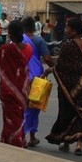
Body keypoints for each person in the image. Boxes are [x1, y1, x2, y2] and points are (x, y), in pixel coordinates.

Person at [45, 16, 82, 156]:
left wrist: (49, 70)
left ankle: (66, 141)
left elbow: (60, 67)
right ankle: (78, 144)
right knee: (81, 111)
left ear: (74, 31)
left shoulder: (68, 46)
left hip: (68, 85)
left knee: (67, 111)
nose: (66, 30)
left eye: (68, 28)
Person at [0, 21, 32, 148]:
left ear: (9, 33)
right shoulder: (28, 48)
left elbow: (1, 69)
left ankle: (11, 140)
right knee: (20, 115)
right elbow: (23, 67)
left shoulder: (4, 50)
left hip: (8, 89)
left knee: (9, 116)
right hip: (22, 88)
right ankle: (20, 138)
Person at [23, 16, 55, 147]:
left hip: (23, 77)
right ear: (34, 27)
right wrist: (52, 68)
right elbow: (47, 58)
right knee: (34, 107)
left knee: (23, 106)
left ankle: (21, 135)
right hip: (37, 77)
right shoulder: (39, 40)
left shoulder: (18, 41)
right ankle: (32, 137)